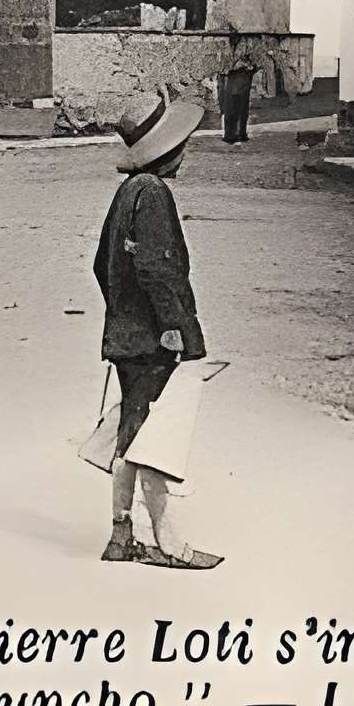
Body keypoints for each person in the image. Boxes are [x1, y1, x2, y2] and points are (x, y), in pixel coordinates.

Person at [94, 87, 221, 569]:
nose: (183, 152)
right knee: (156, 438)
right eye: (180, 144)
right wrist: (173, 327)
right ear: (167, 150)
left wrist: (122, 312)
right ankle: (168, 544)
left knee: (131, 430)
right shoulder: (153, 194)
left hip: (127, 336)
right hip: (152, 339)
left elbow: (101, 265)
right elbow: (157, 269)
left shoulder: (126, 192)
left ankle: (121, 535)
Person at [217, 45, 257, 145]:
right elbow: (223, 68)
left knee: (239, 111)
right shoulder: (227, 49)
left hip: (239, 84)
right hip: (234, 84)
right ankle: (234, 135)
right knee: (234, 111)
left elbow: (254, 64)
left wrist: (247, 66)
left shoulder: (244, 48)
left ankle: (237, 135)